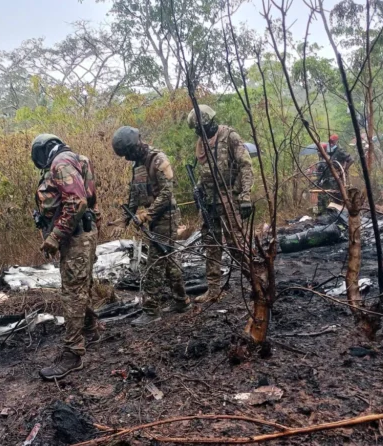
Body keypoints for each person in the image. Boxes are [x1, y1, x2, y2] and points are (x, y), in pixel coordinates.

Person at [31, 133, 100, 380]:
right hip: (84, 234)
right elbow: (90, 200)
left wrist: (54, 237)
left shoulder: (60, 163)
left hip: (75, 237)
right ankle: (91, 328)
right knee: (81, 287)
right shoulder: (77, 159)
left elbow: (77, 202)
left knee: (72, 293)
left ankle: (73, 354)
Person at [110, 126, 190, 326]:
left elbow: (166, 194)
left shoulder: (158, 159)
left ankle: (151, 310)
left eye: (128, 153)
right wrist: (124, 218)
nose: (127, 158)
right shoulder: (137, 165)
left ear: (136, 144)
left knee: (153, 264)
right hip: (154, 219)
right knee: (170, 260)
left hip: (166, 217)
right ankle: (182, 301)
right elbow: (134, 194)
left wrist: (147, 214)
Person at [186, 105, 254, 303]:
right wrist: (198, 188)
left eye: (201, 128)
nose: (199, 133)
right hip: (209, 201)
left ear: (210, 123)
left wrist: (245, 196)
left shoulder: (230, 136)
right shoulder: (202, 143)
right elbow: (205, 171)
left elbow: (245, 165)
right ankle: (214, 289)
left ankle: (256, 281)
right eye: (197, 130)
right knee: (211, 245)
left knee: (236, 245)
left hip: (229, 199)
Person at [316, 134, 355, 214]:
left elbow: (351, 160)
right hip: (329, 179)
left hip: (337, 178)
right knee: (326, 195)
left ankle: (340, 212)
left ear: (336, 142)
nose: (331, 144)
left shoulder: (340, 151)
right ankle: (326, 212)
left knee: (338, 195)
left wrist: (343, 170)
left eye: (332, 142)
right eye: (330, 142)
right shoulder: (331, 152)